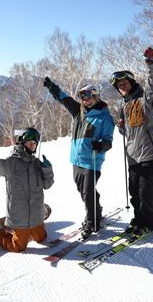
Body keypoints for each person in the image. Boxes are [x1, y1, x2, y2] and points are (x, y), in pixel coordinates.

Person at [43, 78, 115, 237]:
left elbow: (109, 141)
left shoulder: (105, 118)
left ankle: (92, 222)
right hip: (76, 160)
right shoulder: (78, 111)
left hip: (92, 161)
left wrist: (101, 145)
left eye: (89, 97)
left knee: (88, 192)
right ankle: (97, 209)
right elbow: (63, 98)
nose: (86, 101)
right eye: (83, 98)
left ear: (96, 97)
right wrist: (51, 87)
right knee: (83, 191)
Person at [110, 47, 153, 237]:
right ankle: (138, 218)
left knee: (146, 192)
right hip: (132, 154)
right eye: (120, 85)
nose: (122, 86)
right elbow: (127, 132)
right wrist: (120, 127)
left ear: (132, 83)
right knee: (134, 191)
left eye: (125, 82)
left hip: (150, 152)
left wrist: (151, 63)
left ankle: (147, 223)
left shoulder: (145, 98)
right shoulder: (124, 105)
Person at [0, 127, 54, 253]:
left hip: (36, 215)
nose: (32, 146)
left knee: (42, 238)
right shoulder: (12, 163)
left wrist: (48, 170)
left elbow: (47, 184)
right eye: (29, 142)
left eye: (34, 143)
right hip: (20, 217)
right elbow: (0, 166)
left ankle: (30, 232)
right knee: (18, 247)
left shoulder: (36, 163)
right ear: (22, 143)